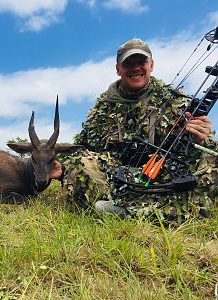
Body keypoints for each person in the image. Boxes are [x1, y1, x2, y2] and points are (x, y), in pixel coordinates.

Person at [50, 38, 217, 222]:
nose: (135, 68)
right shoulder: (100, 110)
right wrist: (63, 167)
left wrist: (201, 138)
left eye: (141, 62)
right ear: (118, 69)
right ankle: (170, 212)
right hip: (116, 177)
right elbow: (83, 149)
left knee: (213, 161)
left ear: (151, 65)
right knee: (79, 165)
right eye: (128, 63)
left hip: (165, 176)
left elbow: (204, 145)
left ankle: (128, 213)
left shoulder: (177, 101)